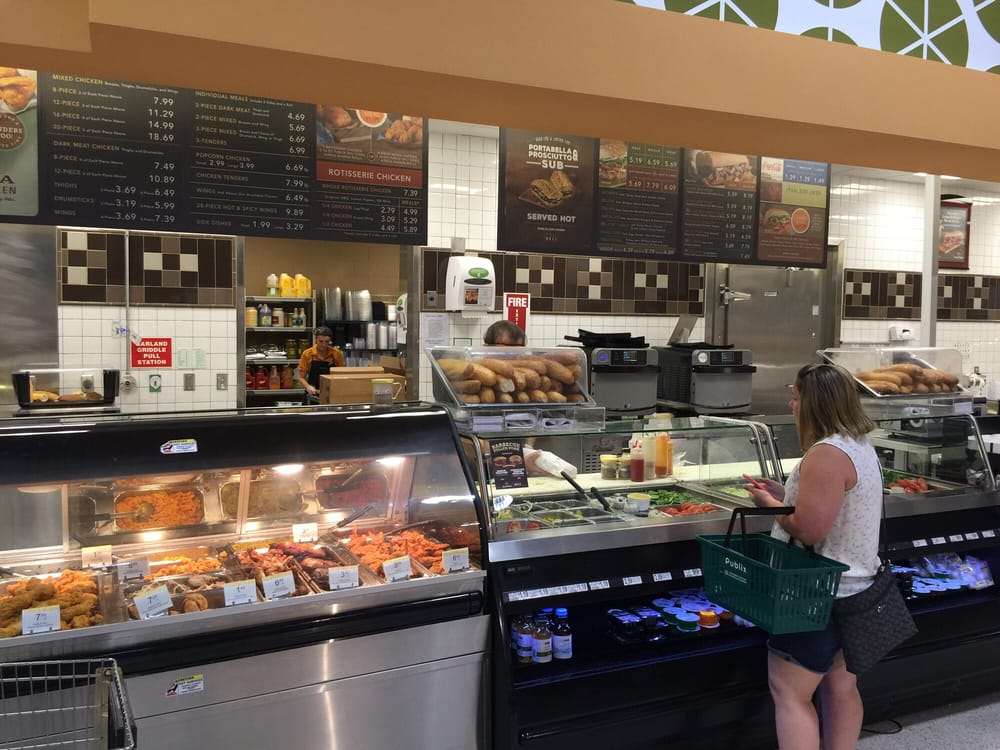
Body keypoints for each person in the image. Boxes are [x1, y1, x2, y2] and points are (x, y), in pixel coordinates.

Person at [743, 363, 882, 750]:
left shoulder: (826, 453)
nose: (792, 405)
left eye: (796, 397)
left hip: (816, 594)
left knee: (790, 693)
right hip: (856, 589)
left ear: (815, 403)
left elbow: (808, 529)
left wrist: (769, 504)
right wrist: (786, 493)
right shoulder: (858, 444)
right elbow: (831, 503)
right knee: (841, 687)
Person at [298, 326, 345, 400]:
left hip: (330, 394)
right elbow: (301, 378)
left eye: (326, 342)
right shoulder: (307, 354)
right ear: (316, 340)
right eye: (321, 341)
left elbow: (341, 375)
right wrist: (308, 387)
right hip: (312, 393)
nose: (324, 345)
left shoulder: (336, 354)